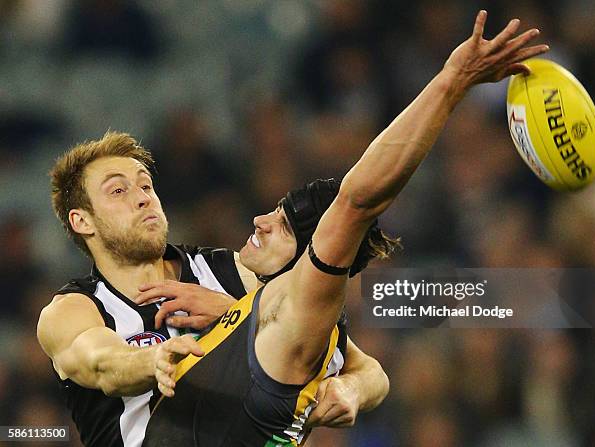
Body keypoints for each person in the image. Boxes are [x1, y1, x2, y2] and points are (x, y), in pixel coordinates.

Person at [141, 10, 549, 446]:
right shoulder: (278, 319)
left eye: (281, 227)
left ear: (314, 254)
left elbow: (357, 200)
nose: (258, 222)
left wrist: (452, 82)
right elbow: (371, 372)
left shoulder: (302, 310)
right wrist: (352, 383)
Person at [37, 139, 388, 446]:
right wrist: (151, 360)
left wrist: (352, 390)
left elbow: (368, 370)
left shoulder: (232, 272)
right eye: (118, 191)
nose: (143, 199)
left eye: (145, 186)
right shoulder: (72, 311)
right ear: (82, 221)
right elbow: (100, 364)